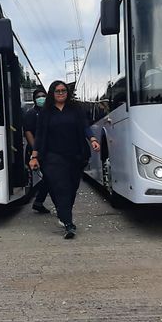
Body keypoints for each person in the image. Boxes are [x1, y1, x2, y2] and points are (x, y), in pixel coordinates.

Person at [28, 80, 100, 239]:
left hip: (75, 155)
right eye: (57, 91)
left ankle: (63, 213)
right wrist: (34, 156)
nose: (60, 94)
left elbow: (84, 126)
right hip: (52, 156)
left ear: (67, 93)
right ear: (52, 93)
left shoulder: (76, 109)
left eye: (63, 91)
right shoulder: (46, 112)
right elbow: (39, 135)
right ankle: (69, 224)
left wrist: (93, 139)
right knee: (61, 188)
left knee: (72, 188)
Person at [23, 88, 50, 214]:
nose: (41, 98)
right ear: (34, 99)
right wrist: (35, 150)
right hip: (38, 151)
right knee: (50, 177)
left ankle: (38, 202)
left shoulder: (50, 112)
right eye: (39, 96)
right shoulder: (31, 114)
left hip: (50, 150)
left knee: (49, 177)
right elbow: (28, 132)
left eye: (43, 96)